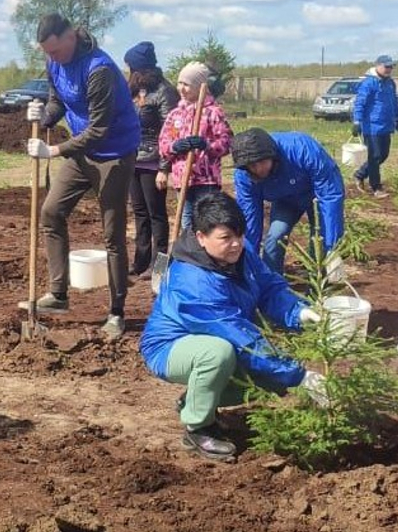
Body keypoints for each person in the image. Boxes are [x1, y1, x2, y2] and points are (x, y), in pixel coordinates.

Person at [140, 192, 326, 461]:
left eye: (239, 234)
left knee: (269, 379)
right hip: (170, 348)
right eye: (225, 237)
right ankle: (198, 428)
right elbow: (240, 339)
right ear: (201, 237)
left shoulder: (240, 252)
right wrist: (299, 375)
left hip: (226, 337)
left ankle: (195, 399)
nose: (236, 244)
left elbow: (268, 286)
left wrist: (299, 312)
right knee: (218, 353)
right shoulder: (192, 282)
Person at [25, 13, 141, 341]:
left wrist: (53, 151)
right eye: (46, 53)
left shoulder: (99, 69)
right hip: (82, 152)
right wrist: (43, 117)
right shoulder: (54, 63)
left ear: (71, 38)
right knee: (51, 212)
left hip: (114, 153)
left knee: (112, 234)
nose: (52, 58)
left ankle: (117, 312)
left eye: (55, 51)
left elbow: (100, 130)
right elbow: (57, 101)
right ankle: (59, 294)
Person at [230, 127, 345, 276]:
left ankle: (317, 279)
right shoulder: (245, 176)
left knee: (319, 239)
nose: (258, 169)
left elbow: (330, 196)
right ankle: (271, 282)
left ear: (272, 155)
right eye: (252, 166)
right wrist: (246, 260)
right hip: (285, 201)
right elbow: (250, 219)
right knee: (276, 236)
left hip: (316, 196)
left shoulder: (301, 149)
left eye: (262, 162)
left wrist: (332, 248)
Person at [124, 41, 179, 278]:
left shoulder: (164, 91)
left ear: (141, 68)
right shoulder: (135, 92)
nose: (129, 72)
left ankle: (159, 265)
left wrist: (164, 168)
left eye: (131, 68)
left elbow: (171, 132)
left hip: (154, 162)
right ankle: (141, 261)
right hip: (133, 159)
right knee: (139, 213)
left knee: (156, 214)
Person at [157, 61, 233, 232]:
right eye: (180, 83)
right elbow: (163, 144)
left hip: (206, 181)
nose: (182, 88)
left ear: (201, 88)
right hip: (182, 179)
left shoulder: (213, 112)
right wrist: (175, 147)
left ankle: (206, 257)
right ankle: (187, 256)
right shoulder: (175, 114)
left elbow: (226, 143)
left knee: (206, 223)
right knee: (187, 224)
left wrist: (207, 145)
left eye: (187, 85)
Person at [351, 54, 398, 198]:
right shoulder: (369, 83)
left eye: (391, 67)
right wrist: (357, 122)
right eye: (386, 66)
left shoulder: (390, 83)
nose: (389, 69)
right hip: (371, 126)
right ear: (378, 66)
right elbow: (360, 103)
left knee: (383, 155)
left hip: (386, 125)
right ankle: (376, 188)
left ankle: (360, 174)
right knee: (375, 156)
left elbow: (393, 102)